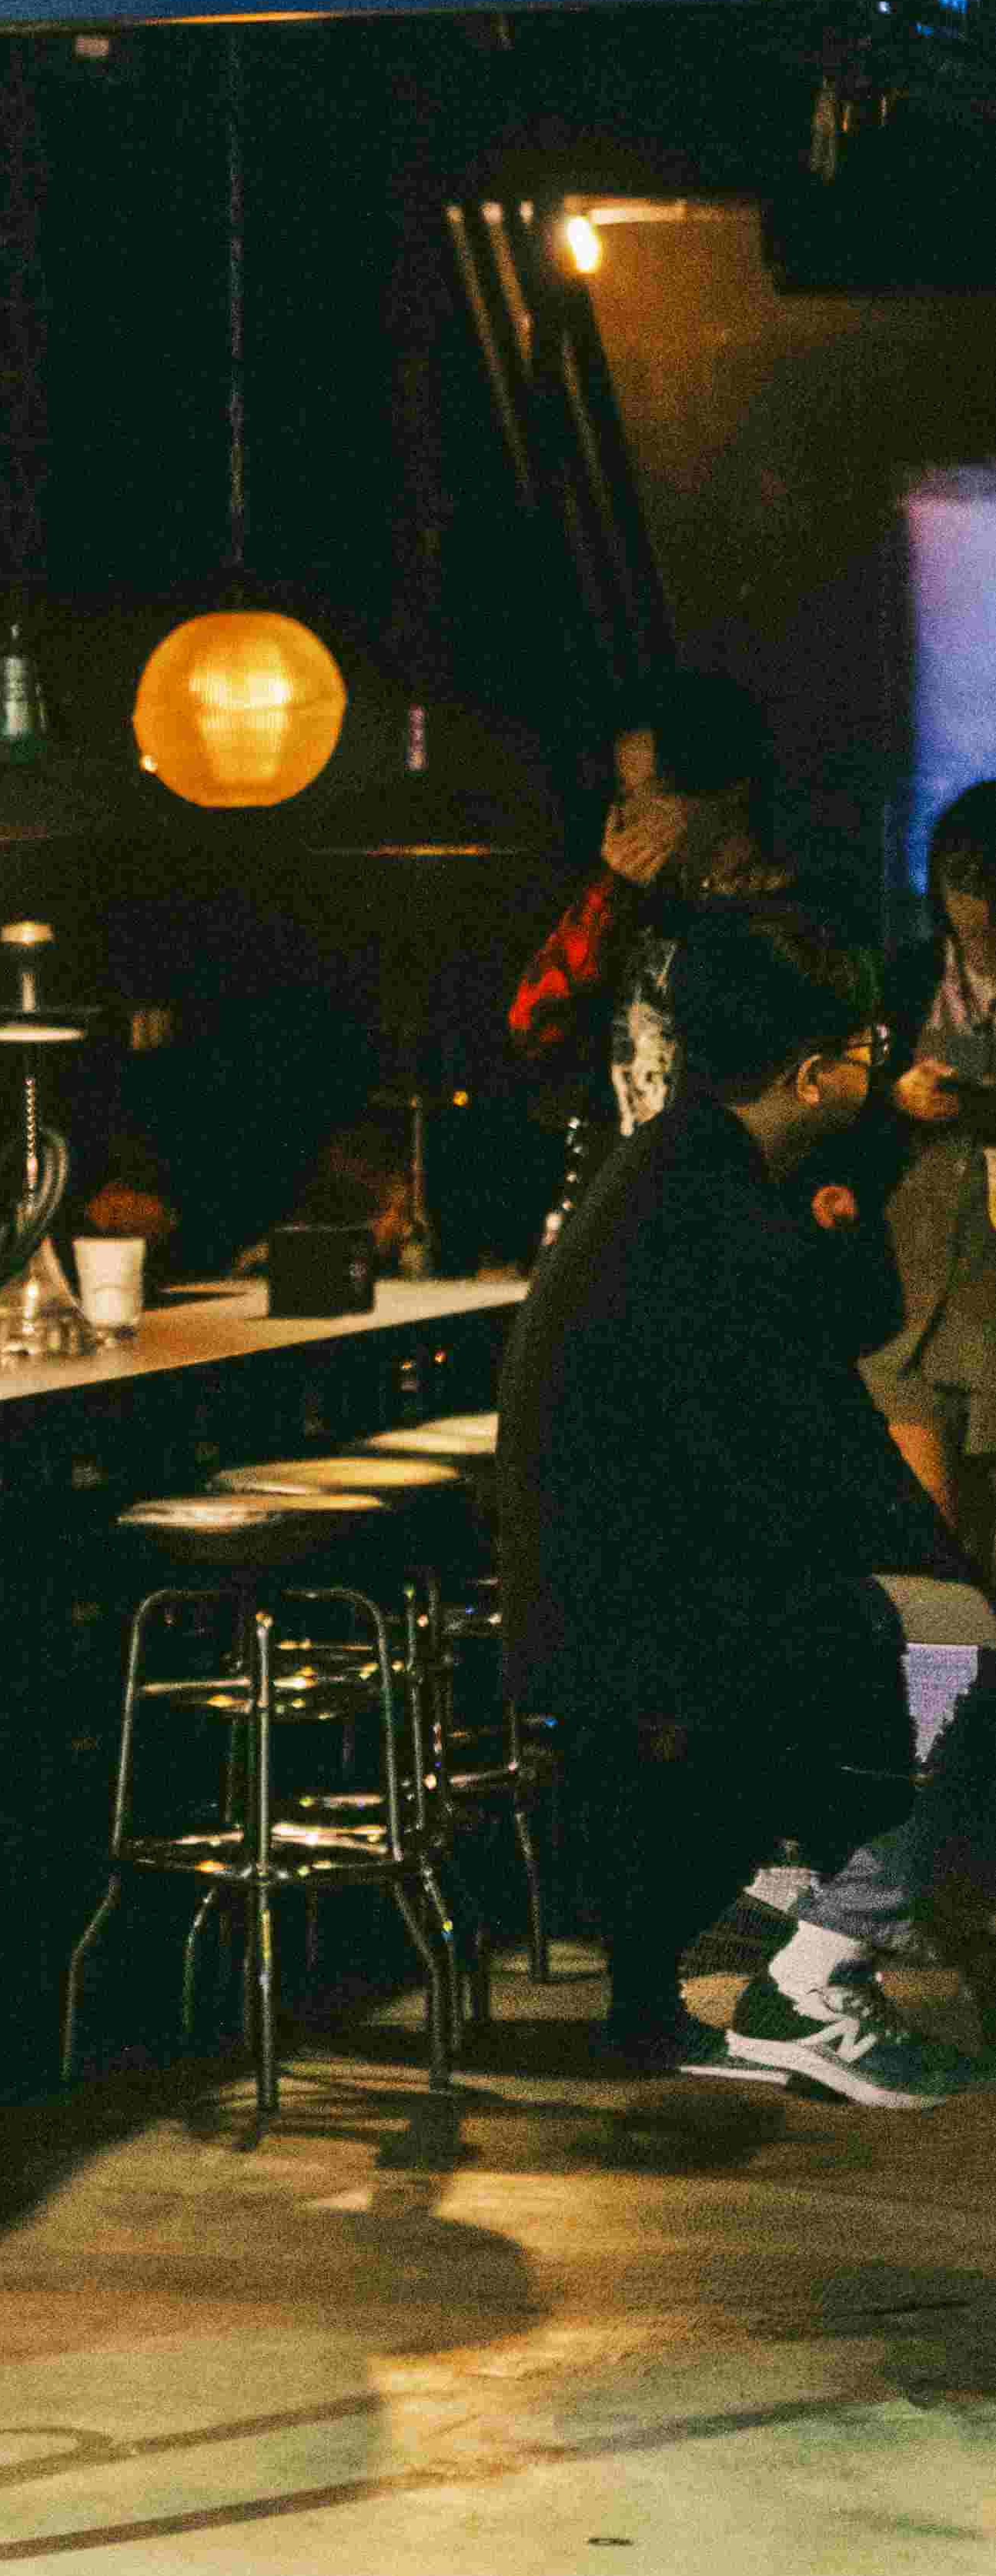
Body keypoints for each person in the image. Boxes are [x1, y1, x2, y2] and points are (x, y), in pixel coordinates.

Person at [498, 901, 996, 2102]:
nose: (880, 1064)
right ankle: (818, 1965)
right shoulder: (718, 1212)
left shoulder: (673, 1165)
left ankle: (780, 1905)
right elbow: (813, 1452)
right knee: (963, 1642)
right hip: (642, 1609)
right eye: (865, 1048)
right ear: (812, 1075)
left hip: (601, 1576)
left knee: (929, 1614)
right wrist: (944, 1576)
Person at [504, 669, 787, 1202]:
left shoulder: (790, 921)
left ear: (725, 793)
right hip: (625, 1201)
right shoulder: (633, 908)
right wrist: (608, 897)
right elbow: (533, 1027)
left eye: (652, 794)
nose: (627, 817)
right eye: (622, 794)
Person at [859, 782, 996, 1550]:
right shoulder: (907, 977)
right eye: (963, 883)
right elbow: (839, 1105)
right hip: (907, 1285)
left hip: (986, 1286)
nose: (980, 909)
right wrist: (894, 1097)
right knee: (927, 1545)